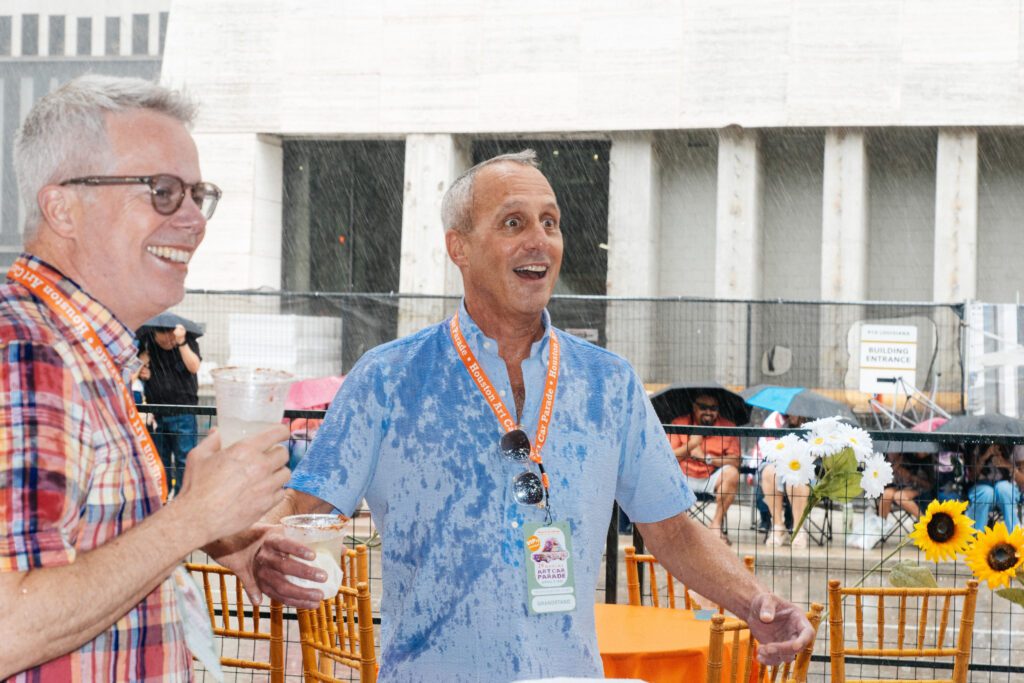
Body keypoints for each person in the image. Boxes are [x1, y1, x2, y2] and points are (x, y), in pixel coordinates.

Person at [217, 150, 813, 681]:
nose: (540, 240)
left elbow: (674, 530)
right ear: (459, 246)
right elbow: (302, 508)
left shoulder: (609, 383)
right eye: (513, 222)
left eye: (550, 223)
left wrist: (758, 603)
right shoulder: (388, 378)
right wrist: (237, 538)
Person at [0, 75, 291, 681]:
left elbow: (71, 537)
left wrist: (219, 536)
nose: (194, 220)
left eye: (197, 194)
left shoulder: (85, 349)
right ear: (62, 207)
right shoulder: (26, 350)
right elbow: (9, 624)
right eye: (162, 192)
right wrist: (194, 518)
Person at [668, 393, 741, 545]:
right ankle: (681, 527)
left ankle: (716, 525)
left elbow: (735, 460)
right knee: (668, 474)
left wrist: (706, 458)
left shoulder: (728, 427)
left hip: (712, 476)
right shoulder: (679, 423)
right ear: (694, 407)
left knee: (732, 473)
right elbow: (668, 458)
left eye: (713, 408)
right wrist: (690, 446)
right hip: (683, 477)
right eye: (703, 407)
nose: (708, 412)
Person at [139, 322, 201, 494]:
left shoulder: (186, 340)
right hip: (156, 411)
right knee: (159, 459)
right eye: (164, 342)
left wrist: (181, 343)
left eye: (171, 340)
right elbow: (138, 371)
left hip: (184, 410)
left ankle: (183, 497)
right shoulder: (146, 341)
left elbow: (194, 366)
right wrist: (143, 367)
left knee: (185, 458)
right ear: (155, 334)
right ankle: (162, 497)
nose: (169, 343)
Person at [753, 411, 812, 548]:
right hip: (782, 469)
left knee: (798, 475)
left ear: (802, 415)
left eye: (793, 413)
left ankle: (799, 529)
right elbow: (771, 453)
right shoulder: (781, 426)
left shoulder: (811, 430)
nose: (788, 416)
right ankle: (778, 526)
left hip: (807, 473)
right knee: (768, 471)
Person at [965, 442, 1020, 530]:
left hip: (1006, 484)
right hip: (982, 484)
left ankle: (1014, 534)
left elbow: (1022, 479)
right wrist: (984, 457)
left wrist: (1006, 463)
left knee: (1004, 489)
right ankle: (976, 536)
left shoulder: (1014, 446)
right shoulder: (979, 446)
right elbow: (972, 476)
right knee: (986, 493)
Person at [877, 450, 936, 523]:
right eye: (889, 454)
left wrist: (910, 476)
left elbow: (928, 485)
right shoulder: (884, 462)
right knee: (886, 494)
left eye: (894, 451)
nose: (892, 455)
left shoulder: (912, 458)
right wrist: (895, 467)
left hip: (918, 489)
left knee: (900, 496)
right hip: (898, 487)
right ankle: (881, 525)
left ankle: (924, 522)